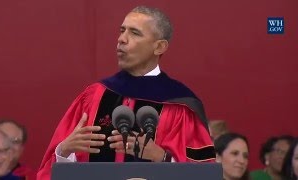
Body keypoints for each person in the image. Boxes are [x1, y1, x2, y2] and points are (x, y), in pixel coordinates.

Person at [37, 5, 215, 179]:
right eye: (122, 31)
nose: (122, 39)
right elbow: (50, 170)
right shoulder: (95, 95)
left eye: (134, 33)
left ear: (159, 47)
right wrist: (65, 151)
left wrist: (162, 157)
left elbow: (202, 173)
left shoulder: (179, 104)